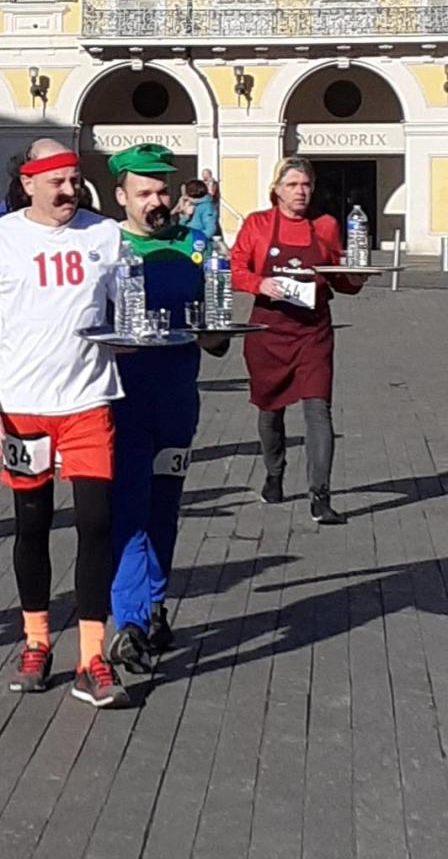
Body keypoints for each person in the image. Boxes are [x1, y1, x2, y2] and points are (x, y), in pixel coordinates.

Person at [0, 138, 130, 709]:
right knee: (31, 525)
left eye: (74, 179)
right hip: (22, 408)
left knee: (96, 523)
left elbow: (125, 311)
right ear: (27, 183)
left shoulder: (105, 235)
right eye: (55, 180)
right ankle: (35, 641)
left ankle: (92, 655)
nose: (68, 190)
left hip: (88, 402)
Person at [106, 144, 229, 672]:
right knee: (126, 507)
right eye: (144, 192)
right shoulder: (104, 247)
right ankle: (128, 620)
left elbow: (218, 339)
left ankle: (154, 605)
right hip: (118, 401)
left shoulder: (198, 246)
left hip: (178, 398)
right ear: (121, 196)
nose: (155, 201)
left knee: (164, 506)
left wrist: (213, 332)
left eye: (162, 190)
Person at [231, 156, 366, 525]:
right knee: (269, 410)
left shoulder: (325, 226)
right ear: (276, 190)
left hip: (313, 332)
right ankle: (274, 473)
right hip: (268, 333)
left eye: (305, 184)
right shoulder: (258, 225)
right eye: (292, 185)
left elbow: (340, 278)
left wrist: (357, 279)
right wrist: (259, 283)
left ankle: (320, 497)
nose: (300, 191)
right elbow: (235, 267)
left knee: (318, 409)